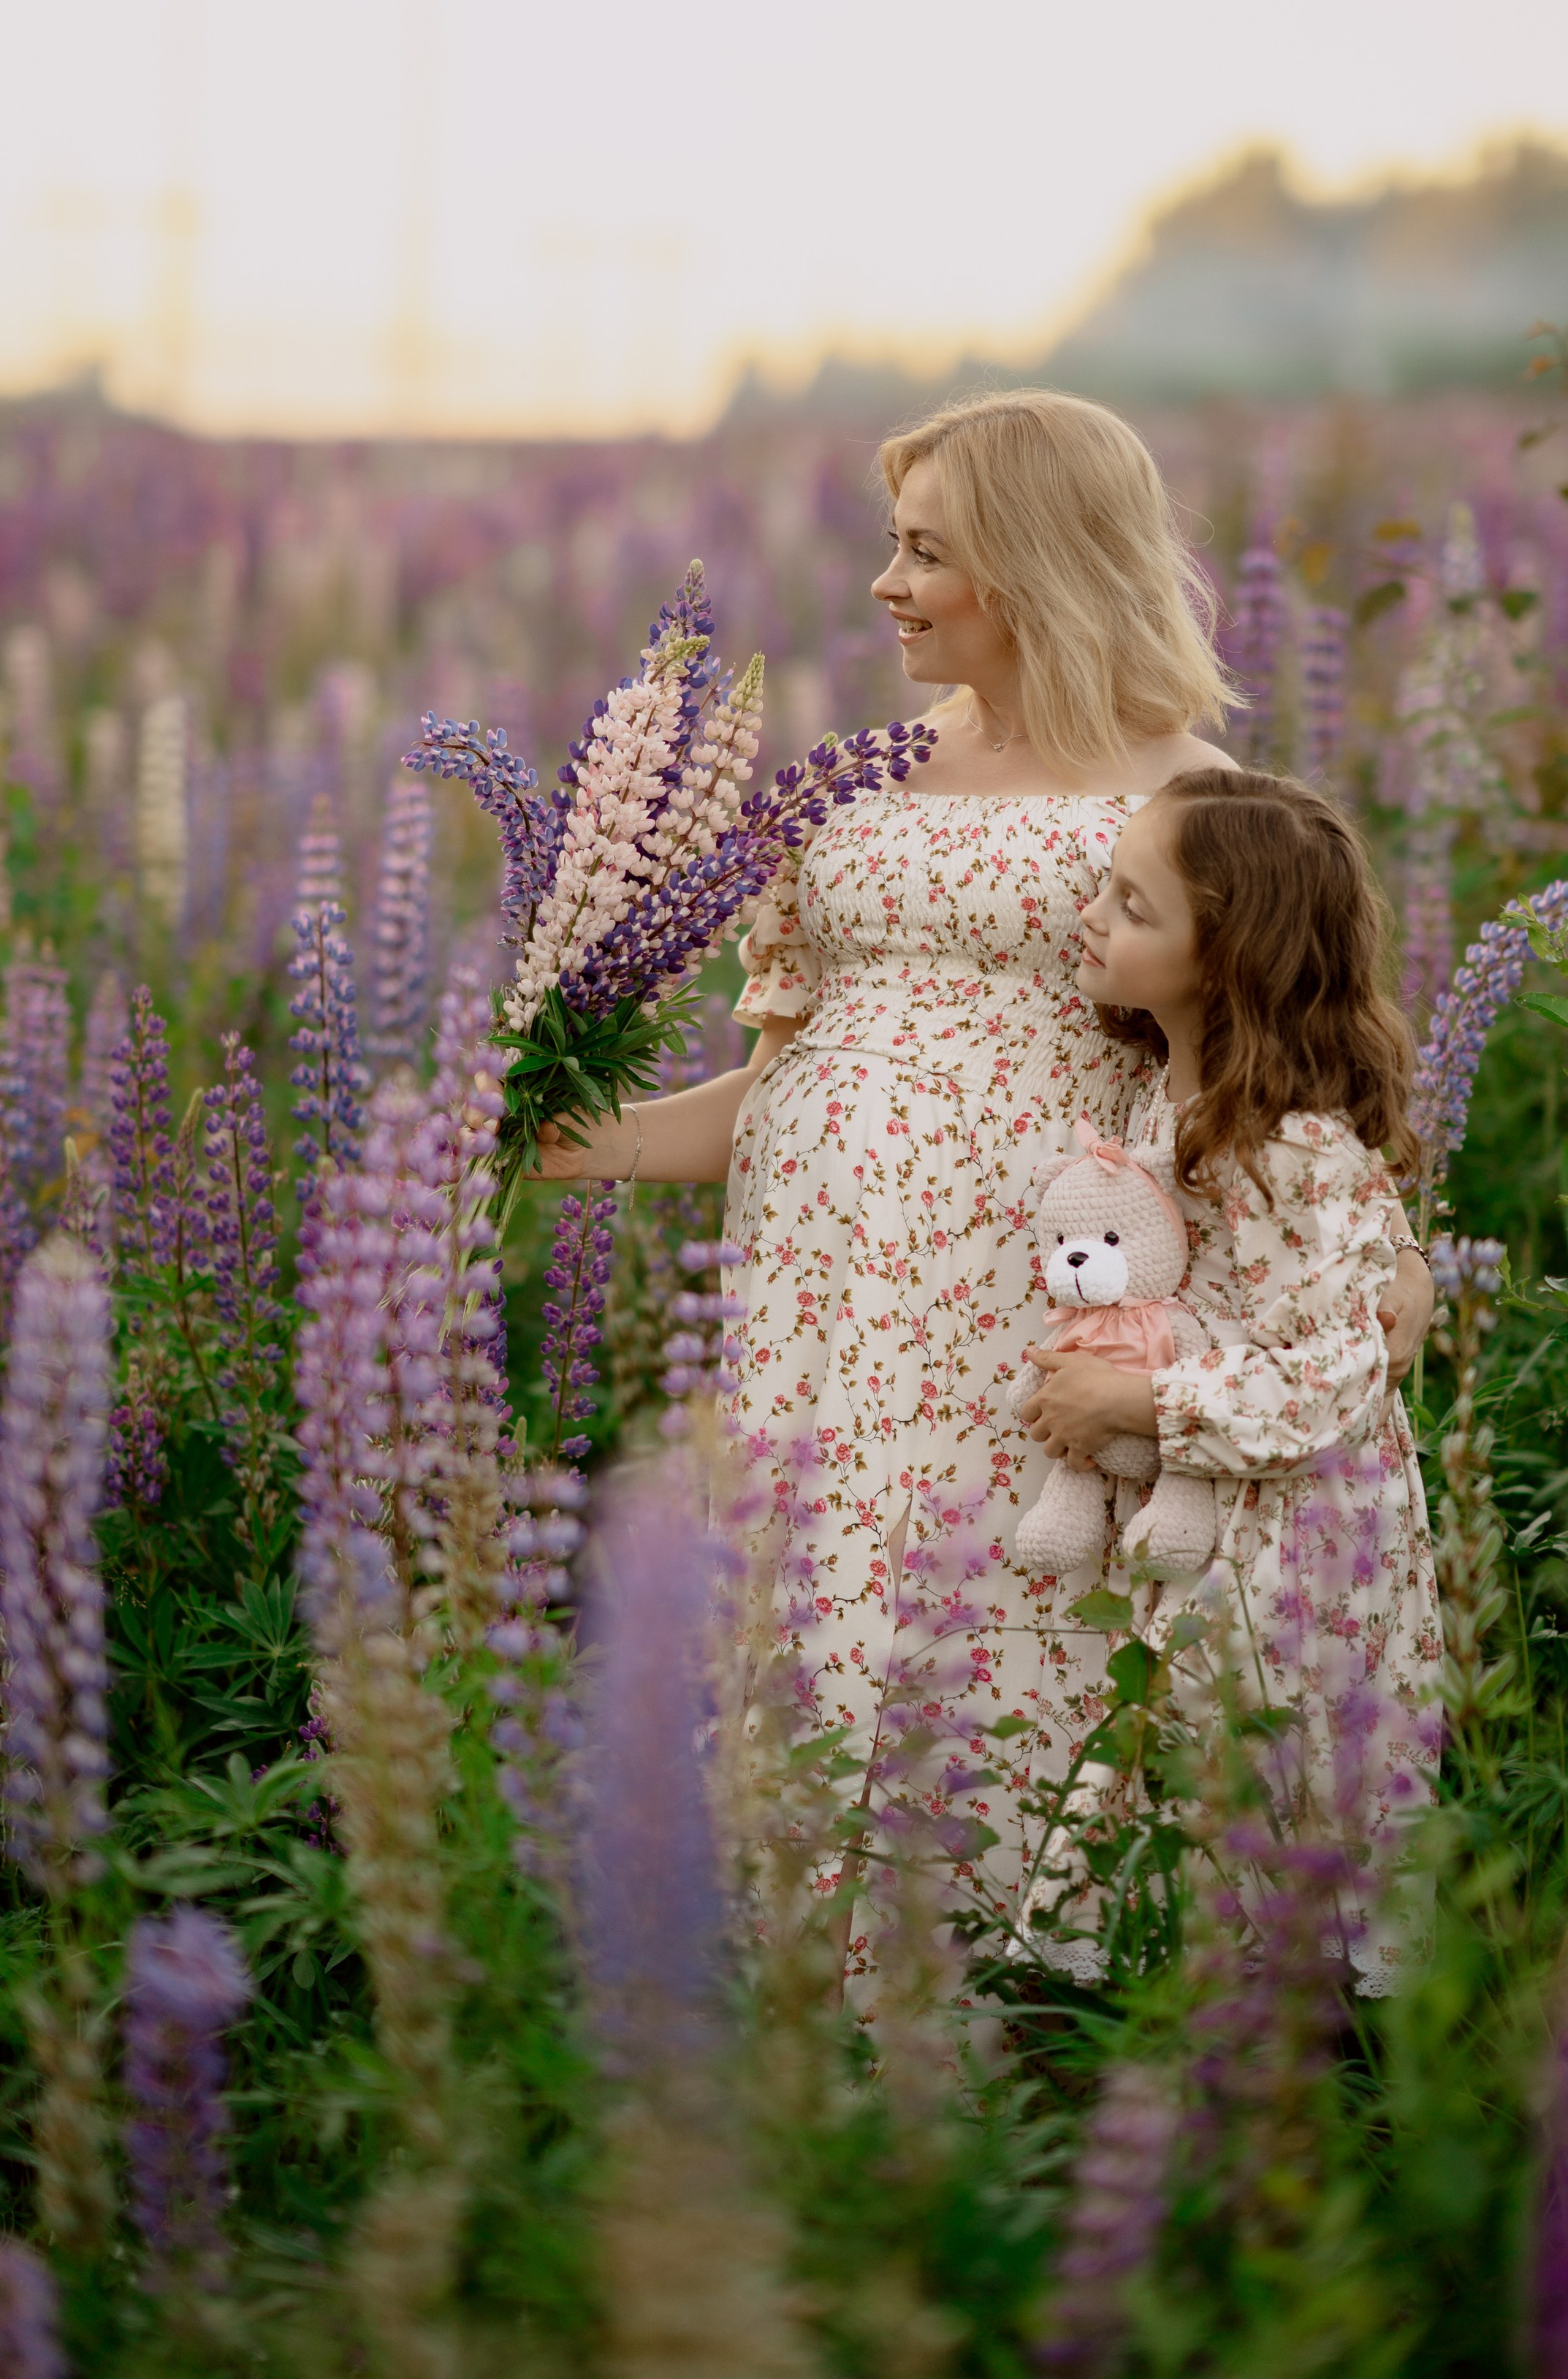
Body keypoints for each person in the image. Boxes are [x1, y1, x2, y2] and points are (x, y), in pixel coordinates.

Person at [528, 389, 1434, 1977]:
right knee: (824, 1627)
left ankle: (1028, 1999)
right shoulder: (855, 778)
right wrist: (571, 1137)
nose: (885, 583)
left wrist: (1371, 1259)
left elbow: (1271, 1061)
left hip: (1030, 1311)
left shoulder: (1184, 796)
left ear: (1033, 562)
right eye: (892, 543)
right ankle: (828, 2002)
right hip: (827, 1308)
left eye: (925, 550)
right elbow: (789, 1076)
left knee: (1013, 1625)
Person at [1020, 767, 1444, 1991]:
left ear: (1228, 962)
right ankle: (1200, 2014)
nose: (1094, 918)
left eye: (1134, 907)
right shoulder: (1173, 1091)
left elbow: (1345, 1366)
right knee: (1197, 1769)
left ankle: (1312, 2051)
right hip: (1226, 1516)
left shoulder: (1296, 1141)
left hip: (1311, 1542)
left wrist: (1146, 1404)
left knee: (1283, 1776)